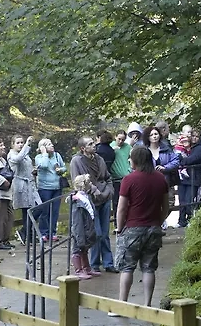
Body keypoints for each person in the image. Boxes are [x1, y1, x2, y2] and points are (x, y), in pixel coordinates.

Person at [114, 146, 169, 308]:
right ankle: (147, 305)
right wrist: (158, 221)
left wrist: (119, 228)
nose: (129, 160)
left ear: (136, 160)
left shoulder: (129, 179)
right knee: (148, 268)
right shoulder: (160, 178)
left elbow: (121, 208)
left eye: (130, 158)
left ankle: (122, 305)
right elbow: (166, 206)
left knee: (127, 267)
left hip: (133, 228)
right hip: (154, 228)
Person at [69, 136, 117, 273]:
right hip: (89, 200)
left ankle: (108, 263)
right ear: (83, 148)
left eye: (93, 143)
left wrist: (109, 191)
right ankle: (94, 263)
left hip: (105, 198)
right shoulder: (76, 161)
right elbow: (77, 182)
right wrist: (93, 190)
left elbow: (107, 177)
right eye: (90, 144)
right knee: (95, 233)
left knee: (105, 233)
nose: (94, 145)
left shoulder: (99, 159)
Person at [9, 135, 41, 245]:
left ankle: (25, 232)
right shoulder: (12, 155)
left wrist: (34, 171)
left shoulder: (25, 154)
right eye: (18, 143)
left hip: (30, 185)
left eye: (22, 142)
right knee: (27, 211)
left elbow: (27, 166)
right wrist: (27, 144)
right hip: (21, 186)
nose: (20, 145)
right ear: (12, 144)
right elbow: (18, 159)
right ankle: (27, 235)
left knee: (39, 207)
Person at [35, 138, 67, 244]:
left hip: (57, 187)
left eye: (51, 143)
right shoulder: (39, 157)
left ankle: (52, 232)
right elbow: (43, 165)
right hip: (44, 188)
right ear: (42, 147)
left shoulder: (57, 155)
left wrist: (60, 170)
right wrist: (44, 153)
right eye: (48, 144)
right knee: (45, 211)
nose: (52, 145)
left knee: (55, 211)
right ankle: (43, 233)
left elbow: (64, 167)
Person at [67, 174, 97, 280]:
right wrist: (79, 235)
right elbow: (77, 221)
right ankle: (78, 270)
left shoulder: (85, 197)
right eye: (89, 183)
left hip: (86, 226)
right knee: (77, 248)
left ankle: (87, 268)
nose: (91, 184)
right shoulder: (78, 201)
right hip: (79, 229)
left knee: (84, 249)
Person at [177, 129, 201, 227]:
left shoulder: (200, 148)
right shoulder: (185, 146)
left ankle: (190, 219)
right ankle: (181, 221)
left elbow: (193, 159)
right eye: (193, 136)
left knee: (189, 200)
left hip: (193, 177)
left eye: (197, 137)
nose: (194, 138)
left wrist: (182, 161)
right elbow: (177, 154)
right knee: (181, 200)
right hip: (183, 178)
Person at [110, 130, 132, 218]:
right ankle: (117, 222)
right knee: (116, 202)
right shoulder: (110, 146)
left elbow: (132, 159)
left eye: (123, 139)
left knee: (128, 201)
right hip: (115, 179)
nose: (120, 141)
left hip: (126, 178)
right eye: (119, 139)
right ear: (115, 137)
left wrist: (130, 170)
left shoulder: (128, 147)